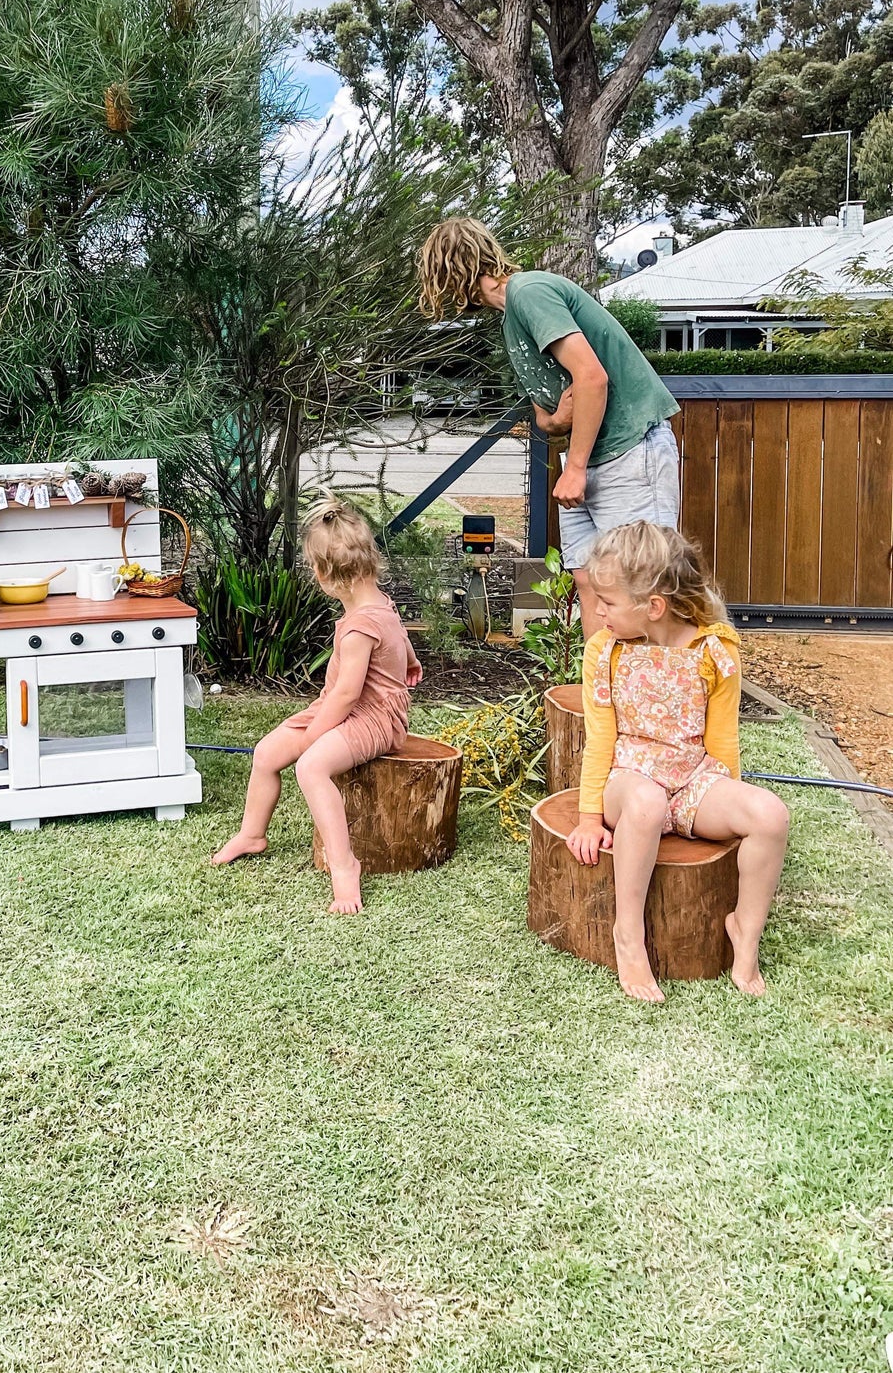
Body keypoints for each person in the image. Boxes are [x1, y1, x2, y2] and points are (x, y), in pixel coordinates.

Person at [567, 522, 790, 1002]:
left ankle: (745, 931)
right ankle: (628, 934)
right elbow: (600, 738)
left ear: (652, 607)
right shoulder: (604, 652)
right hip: (629, 780)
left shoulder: (715, 649)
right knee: (645, 802)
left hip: (693, 780)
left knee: (771, 814)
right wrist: (589, 817)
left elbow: (722, 739)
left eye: (607, 602)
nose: (598, 611)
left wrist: (726, 798)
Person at [418, 217, 681, 602]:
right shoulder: (512, 318)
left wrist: (573, 469)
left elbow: (592, 379)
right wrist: (557, 421)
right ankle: (594, 666)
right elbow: (545, 414)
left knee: (644, 587)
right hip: (589, 457)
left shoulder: (530, 291)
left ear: (450, 270)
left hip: (627, 451)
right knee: (590, 581)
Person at [212, 499, 423, 914]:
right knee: (267, 753)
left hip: (376, 716)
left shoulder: (359, 627)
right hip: (344, 706)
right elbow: (396, 631)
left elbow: (347, 694)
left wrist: (313, 736)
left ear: (326, 575)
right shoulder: (374, 602)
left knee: (311, 767)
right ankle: (253, 834)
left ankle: (345, 866)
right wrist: (411, 659)